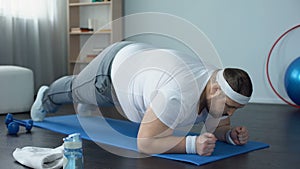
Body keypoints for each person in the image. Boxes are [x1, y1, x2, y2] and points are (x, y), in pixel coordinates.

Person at [31, 41, 253, 156]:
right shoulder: (177, 95)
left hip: (139, 68)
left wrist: (229, 135)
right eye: (229, 106)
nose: (230, 113)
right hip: (110, 74)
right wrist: (192, 144)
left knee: (93, 97)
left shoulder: (217, 83)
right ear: (214, 90)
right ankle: (46, 96)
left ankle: (88, 102)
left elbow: (218, 124)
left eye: (236, 109)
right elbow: (145, 142)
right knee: (74, 88)